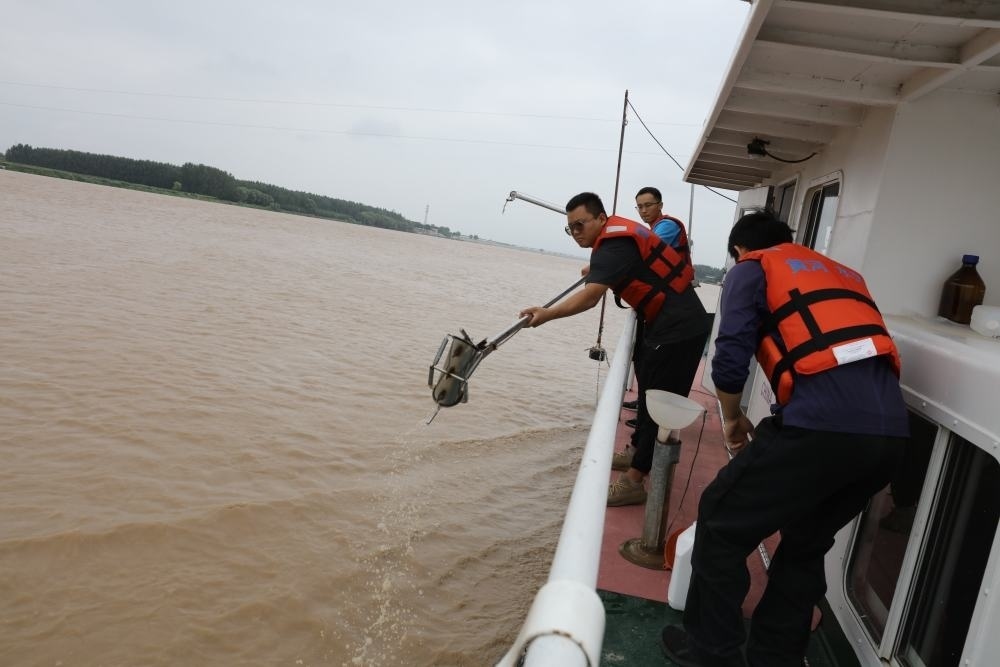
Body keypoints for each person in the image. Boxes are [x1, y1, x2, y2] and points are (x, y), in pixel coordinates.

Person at [660, 209, 909, 667]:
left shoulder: (751, 268)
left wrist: (732, 418)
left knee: (719, 521)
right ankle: (777, 657)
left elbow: (730, 356)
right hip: (890, 438)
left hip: (819, 429)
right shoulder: (847, 276)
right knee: (807, 541)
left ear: (740, 249)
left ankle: (710, 654)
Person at [519, 192, 711, 506]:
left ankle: (635, 481)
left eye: (581, 224)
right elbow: (618, 269)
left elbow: (591, 296)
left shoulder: (613, 245)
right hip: (666, 323)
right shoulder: (612, 245)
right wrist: (595, 270)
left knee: (656, 404)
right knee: (648, 390)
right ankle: (635, 450)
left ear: (601, 219)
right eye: (571, 229)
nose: (577, 233)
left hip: (679, 330)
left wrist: (547, 313)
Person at [616, 187, 699, 451]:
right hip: (660, 305)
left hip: (673, 306)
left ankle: (647, 425)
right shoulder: (652, 228)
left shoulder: (667, 227)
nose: (643, 210)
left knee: (652, 366)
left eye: (648, 205)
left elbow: (643, 249)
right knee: (642, 361)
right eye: (639, 206)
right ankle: (643, 409)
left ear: (660, 205)